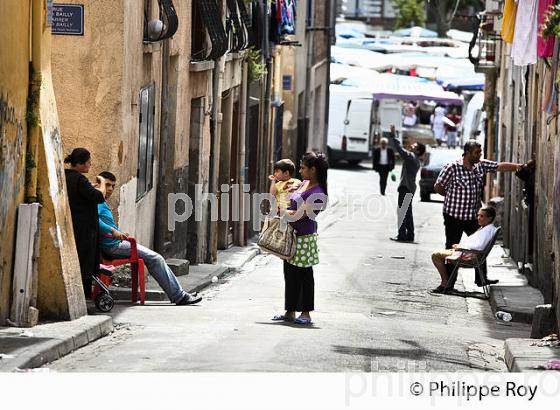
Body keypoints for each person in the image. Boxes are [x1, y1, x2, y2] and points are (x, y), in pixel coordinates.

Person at [434, 140, 535, 286]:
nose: (479, 155)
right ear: (467, 153)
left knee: (481, 247)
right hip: (453, 217)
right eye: (477, 152)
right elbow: (438, 186)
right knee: (452, 247)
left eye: (480, 152)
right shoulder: (452, 168)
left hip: (473, 218)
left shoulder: (479, 166)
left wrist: (519, 166)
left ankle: (481, 279)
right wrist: (451, 197)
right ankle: (449, 283)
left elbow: (498, 166)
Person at [97, 171, 201, 305]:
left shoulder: (100, 201)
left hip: (116, 243)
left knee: (155, 258)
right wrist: (113, 231)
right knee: (155, 259)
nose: (110, 189)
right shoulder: (98, 201)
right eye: (107, 185)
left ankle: (179, 294)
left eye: (112, 186)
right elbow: (96, 221)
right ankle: (179, 296)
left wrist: (119, 232)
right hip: (113, 246)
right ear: (100, 185)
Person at [271, 152, 328, 325]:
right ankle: (290, 311)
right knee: (290, 274)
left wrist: (282, 211)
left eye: (303, 168)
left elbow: (299, 215)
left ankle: (306, 313)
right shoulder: (303, 184)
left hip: (304, 237)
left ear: (313, 169)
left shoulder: (318, 193)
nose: (300, 171)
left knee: (304, 275)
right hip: (291, 234)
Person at [64, 148, 107, 298]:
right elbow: (99, 197)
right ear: (81, 163)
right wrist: (102, 184)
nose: (90, 165)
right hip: (84, 228)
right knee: (85, 261)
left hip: (73, 225)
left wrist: (91, 188)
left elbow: (82, 194)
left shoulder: (66, 176)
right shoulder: (80, 179)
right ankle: (84, 294)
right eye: (88, 162)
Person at [431, 206, 498, 293]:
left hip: (468, 255)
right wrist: (460, 246)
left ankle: (445, 283)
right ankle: (446, 283)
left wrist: (461, 248)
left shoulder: (488, 230)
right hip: (465, 252)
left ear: (489, 218)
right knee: (437, 254)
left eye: (482, 216)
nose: (478, 218)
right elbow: (474, 243)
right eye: (478, 215)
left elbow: (479, 246)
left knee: (435, 255)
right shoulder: (485, 228)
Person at [388, 125, 426, 243]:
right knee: (407, 212)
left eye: (414, 146)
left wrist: (393, 135)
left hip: (406, 187)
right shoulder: (415, 159)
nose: (411, 145)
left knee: (402, 211)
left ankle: (402, 235)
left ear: (418, 150)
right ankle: (410, 234)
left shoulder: (411, 157)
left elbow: (399, 149)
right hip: (410, 187)